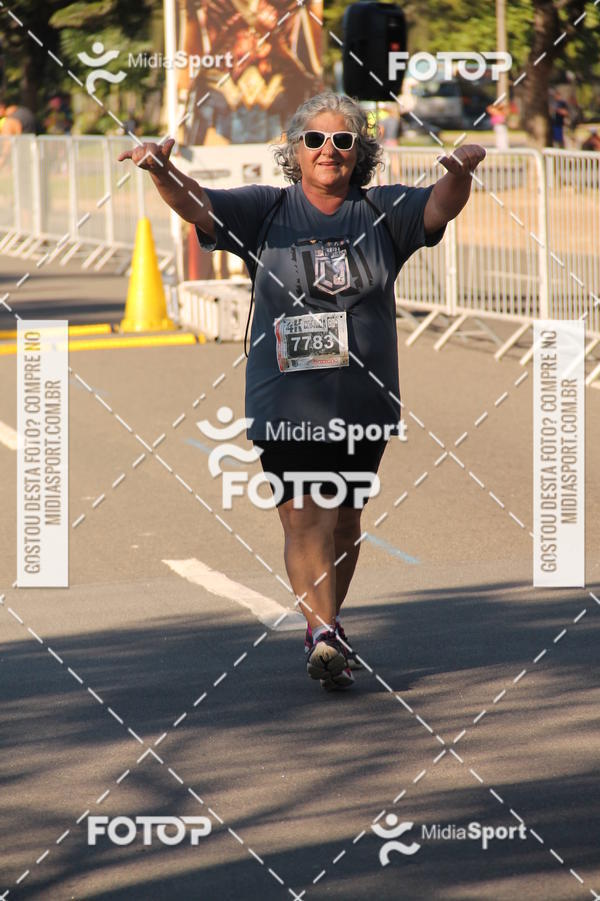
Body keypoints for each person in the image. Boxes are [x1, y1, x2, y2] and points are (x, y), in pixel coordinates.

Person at [118, 91, 485, 691]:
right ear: (294, 150)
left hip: (363, 399)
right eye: (314, 139)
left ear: (360, 152)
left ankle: (328, 625)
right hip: (286, 399)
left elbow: (440, 207)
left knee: (345, 520)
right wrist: (163, 170)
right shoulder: (266, 210)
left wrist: (462, 173)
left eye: (343, 141)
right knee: (305, 516)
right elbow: (199, 207)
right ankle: (321, 632)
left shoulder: (382, 211)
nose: (328, 150)